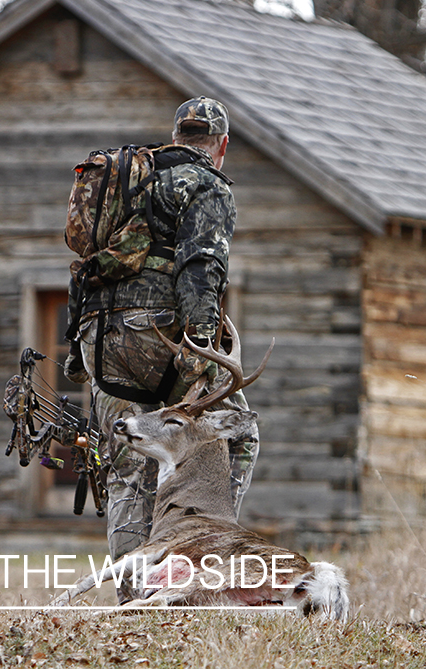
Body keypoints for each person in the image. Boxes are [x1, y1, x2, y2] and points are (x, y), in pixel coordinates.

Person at [64, 96, 257, 570]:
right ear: (222, 145)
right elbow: (200, 267)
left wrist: (76, 345)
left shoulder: (128, 177)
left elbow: (87, 266)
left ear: (176, 136)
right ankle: (204, 549)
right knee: (239, 432)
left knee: (127, 463)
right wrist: (200, 347)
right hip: (162, 336)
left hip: (100, 336)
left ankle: (136, 596)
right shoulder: (207, 184)